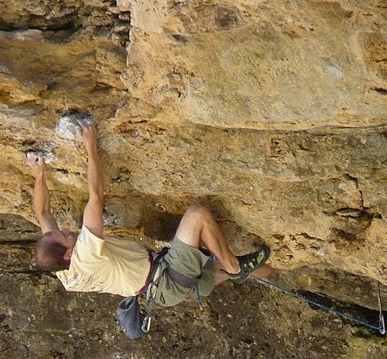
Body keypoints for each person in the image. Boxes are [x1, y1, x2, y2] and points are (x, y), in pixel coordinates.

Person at [27, 118, 274, 333]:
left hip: (163, 288)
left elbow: (42, 212)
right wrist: (90, 145)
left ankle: (259, 271)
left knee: (255, 270)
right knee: (197, 216)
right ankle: (234, 267)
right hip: (169, 279)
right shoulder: (86, 254)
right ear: (70, 253)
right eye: (65, 235)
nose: (68, 230)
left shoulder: (62, 269)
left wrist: (38, 173)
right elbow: (96, 196)